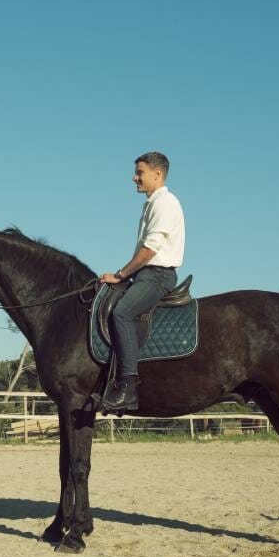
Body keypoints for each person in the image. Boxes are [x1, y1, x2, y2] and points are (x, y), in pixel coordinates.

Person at [98, 152, 185, 411]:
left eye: (140, 172)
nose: (134, 177)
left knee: (122, 313)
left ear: (157, 174)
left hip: (158, 275)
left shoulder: (165, 203)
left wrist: (121, 274)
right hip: (145, 274)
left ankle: (128, 387)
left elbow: (150, 250)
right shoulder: (151, 204)